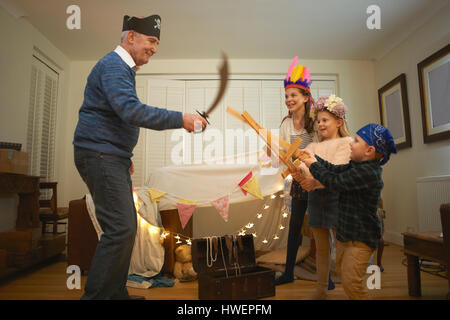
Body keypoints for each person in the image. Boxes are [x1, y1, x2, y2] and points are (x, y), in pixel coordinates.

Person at [72, 14, 207, 300]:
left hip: (110, 156)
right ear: (131, 37)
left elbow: (115, 116)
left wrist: (123, 155)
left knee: (125, 228)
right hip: (100, 155)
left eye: (157, 42)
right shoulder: (113, 65)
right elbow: (130, 111)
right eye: (152, 40)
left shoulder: (123, 70)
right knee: (120, 229)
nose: (155, 49)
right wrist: (181, 118)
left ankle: (116, 293)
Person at [299, 123, 397, 300]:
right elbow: (334, 169)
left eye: (357, 141)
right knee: (345, 274)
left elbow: (335, 181)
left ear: (369, 151)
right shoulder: (356, 166)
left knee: (352, 283)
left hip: (361, 238)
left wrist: (313, 165)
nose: (351, 143)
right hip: (348, 235)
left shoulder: (368, 173)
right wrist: (315, 158)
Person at [293, 94, 352, 299]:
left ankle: (351, 288)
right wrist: (299, 175)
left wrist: (314, 182)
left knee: (342, 247)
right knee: (320, 248)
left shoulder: (347, 143)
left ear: (339, 122)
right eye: (318, 121)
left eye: (325, 120)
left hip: (337, 198)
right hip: (316, 200)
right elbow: (303, 168)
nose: (320, 124)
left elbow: (337, 171)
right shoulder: (312, 147)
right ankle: (321, 288)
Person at [275, 57, 315, 285]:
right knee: (295, 226)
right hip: (298, 180)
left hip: (317, 179)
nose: (289, 99)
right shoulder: (285, 124)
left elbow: (321, 150)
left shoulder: (315, 121)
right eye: (287, 96)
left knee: (320, 226)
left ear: (306, 97)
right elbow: (283, 153)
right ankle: (289, 272)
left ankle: (326, 275)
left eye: (294, 95)